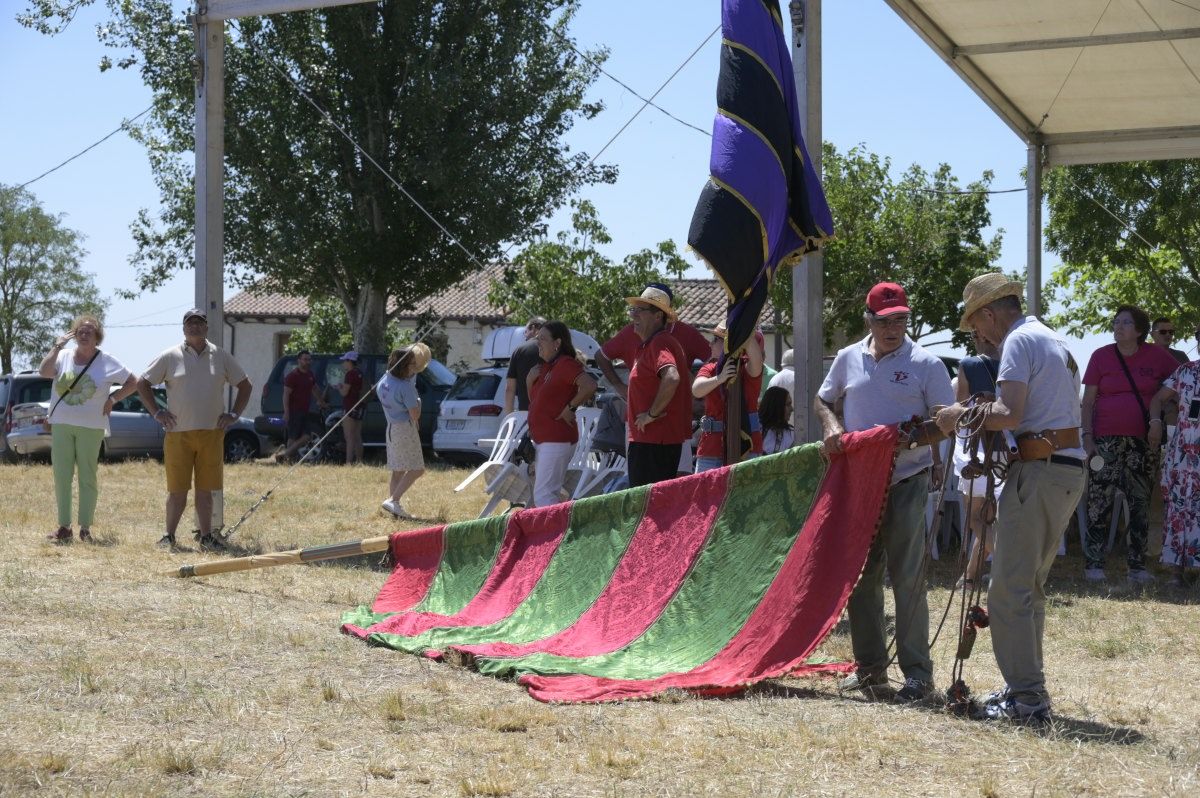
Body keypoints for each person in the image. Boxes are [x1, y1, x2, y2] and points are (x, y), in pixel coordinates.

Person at [935, 274, 1086, 724]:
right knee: (1028, 588)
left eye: (976, 326)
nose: (979, 337)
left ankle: (1028, 700)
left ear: (988, 312)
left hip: (1039, 470)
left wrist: (957, 415)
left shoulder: (1019, 342)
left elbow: (1009, 413)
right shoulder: (1051, 338)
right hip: (1063, 468)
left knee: (1008, 591)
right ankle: (1026, 688)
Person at [816, 281, 954, 704]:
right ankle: (870, 670)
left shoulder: (926, 364)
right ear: (869, 320)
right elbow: (823, 399)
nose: (894, 327)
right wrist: (833, 427)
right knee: (861, 578)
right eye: (885, 320)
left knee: (908, 578)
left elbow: (946, 421)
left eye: (901, 320)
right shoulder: (847, 357)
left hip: (907, 478)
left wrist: (911, 444)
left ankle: (917, 676)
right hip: (860, 481)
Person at [1080, 305, 1180, 583]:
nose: (1118, 327)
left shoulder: (1156, 355)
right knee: (1099, 501)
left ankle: (1137, 566)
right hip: (1105, 440)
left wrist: (1162, 416)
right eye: (1116, 322)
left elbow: (1181, 382)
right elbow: (1088, 402)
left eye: (1125, 323)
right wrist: (1087, 437)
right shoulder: (1100, 356)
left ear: (1139, 330)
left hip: (1143, 441)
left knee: (1139, 502)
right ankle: (1094, 564)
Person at [139, 309, 252, 551]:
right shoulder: (169, 356)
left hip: (211, 434)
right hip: (178, 435)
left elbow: (245, 385)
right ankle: (169, 535)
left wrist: (234, 414)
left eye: (199, 323)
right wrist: (157, 412)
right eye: (190, 324)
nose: (195, 327)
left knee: (205, 490)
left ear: (206, 328)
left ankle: (206, 536)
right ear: (183, 328)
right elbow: (143, 382)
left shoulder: (220, 356)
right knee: (177, 490)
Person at [39, 315, 138, 544]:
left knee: (87, 477)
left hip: (91, 426)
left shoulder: (107, 361)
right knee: (61, 476)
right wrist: (57, 345)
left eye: (89, 332)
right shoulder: (63, 356)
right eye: (80, 331)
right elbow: (44, 371)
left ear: (97, 337)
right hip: (62, 424)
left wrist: (113, 399)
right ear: (74, 335)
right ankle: (64, 527)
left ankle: (85, 528)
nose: (84, 335)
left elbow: (133, 382)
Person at [622, 284, 693, 487]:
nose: (633, 315)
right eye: (633, 310)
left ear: (657, 317)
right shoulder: (652, 344)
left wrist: (651, 415)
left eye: (640, 310)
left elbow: (672, 378)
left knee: (647, 509)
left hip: (653, 443)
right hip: (651, 442)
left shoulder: (660, 343)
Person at [526, 321, 598, 507]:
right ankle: (561, 528)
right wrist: (529, 380)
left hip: (556, 439)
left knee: (544, 496)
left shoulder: (565, 364)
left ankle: (550, 535)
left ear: (557, 343)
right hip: (545, 440)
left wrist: (571, 408)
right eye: (537, 338)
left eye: (542, 339)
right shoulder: (547, 367)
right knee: (547, 493)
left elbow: (589, 385)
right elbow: (536, 403)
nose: (538, 342)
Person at [952, 331, 1001, 588]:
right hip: (1008, 448)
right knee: (990, 517)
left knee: (976, 518)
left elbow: (962, 410)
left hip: (977, 449)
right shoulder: (1013, 363)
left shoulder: (969, 365)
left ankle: (1006, 564)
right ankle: (971, 575)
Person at [1149, 344, 1200, 585]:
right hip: (1183, 450)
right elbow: (1158, 399)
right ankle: (1176, 570)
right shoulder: (1184, 371)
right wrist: (1156, 422)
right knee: (1179, 504)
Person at [691, 321, 764, 472]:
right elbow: (696, 390)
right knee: (707, 496)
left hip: (747, 449)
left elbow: (757, 360)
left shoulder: (747, 368)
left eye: (715, 339)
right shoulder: (710, 368)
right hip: (711, 449)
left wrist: (744, 327)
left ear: (727, 343)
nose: (710, 344)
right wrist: (720, 378)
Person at [377, 343, 431, 519]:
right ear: (404, 366)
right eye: (412, 365)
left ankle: (395, 508)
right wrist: (418, 400)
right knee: (417, 469)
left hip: (391, 427)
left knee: (398, 469)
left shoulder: (384, 380)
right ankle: (394, 500)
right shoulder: (405, 387)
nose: (414, 369)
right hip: (405, 429)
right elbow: (415, 414)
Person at [276, 350, 328, 463]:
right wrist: (286, 411)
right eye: (305, 359)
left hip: (305, 411)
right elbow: (285, 394)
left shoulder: (310, 375)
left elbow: (314, 389)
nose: (308, 362)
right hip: (294, 411)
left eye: (309, 359)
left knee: (302, 437)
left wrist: (322, 401)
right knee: (297, 437)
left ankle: (285, 456)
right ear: (299, 361)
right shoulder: (292, 376)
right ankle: (287, 457)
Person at [502, 316, 546, 416]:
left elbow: (510, 389)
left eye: (525, 332)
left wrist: (509, 418)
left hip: (526, 415)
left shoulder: (519, 351)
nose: (525, 336)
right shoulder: (555, 349)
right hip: (552, 416)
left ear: (534, 328)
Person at [337, 351, 365, 465]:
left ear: (350, 362)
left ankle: (348, 462)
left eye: (345, 360)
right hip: (361, 406)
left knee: (349, 437)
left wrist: (339, 387)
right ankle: (359, 461)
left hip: (350, 407)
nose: (343, 363)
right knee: (357, 435)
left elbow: (344, 393)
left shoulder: (350, 374)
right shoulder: (360, 373)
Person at [759, 386, 794, 454]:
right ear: (777, 406)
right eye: (788, 404)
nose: (792, 409)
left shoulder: (792, 435)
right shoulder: (755, 432)